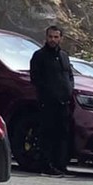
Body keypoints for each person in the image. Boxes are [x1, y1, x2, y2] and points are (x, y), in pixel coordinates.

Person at [29, 25, 74, 176]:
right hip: (48, 103)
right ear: (46, 37)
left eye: (56, 37)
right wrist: (49, 93)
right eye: (50, 37)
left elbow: (69, 76)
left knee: (62, 135)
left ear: (61, 38)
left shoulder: (64, 56)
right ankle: (46, 166)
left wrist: (69, 90)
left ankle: (60, 165)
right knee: (47, 135)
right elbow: (35, 78)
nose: (53, 40)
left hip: (64, 103)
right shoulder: (39, 56)